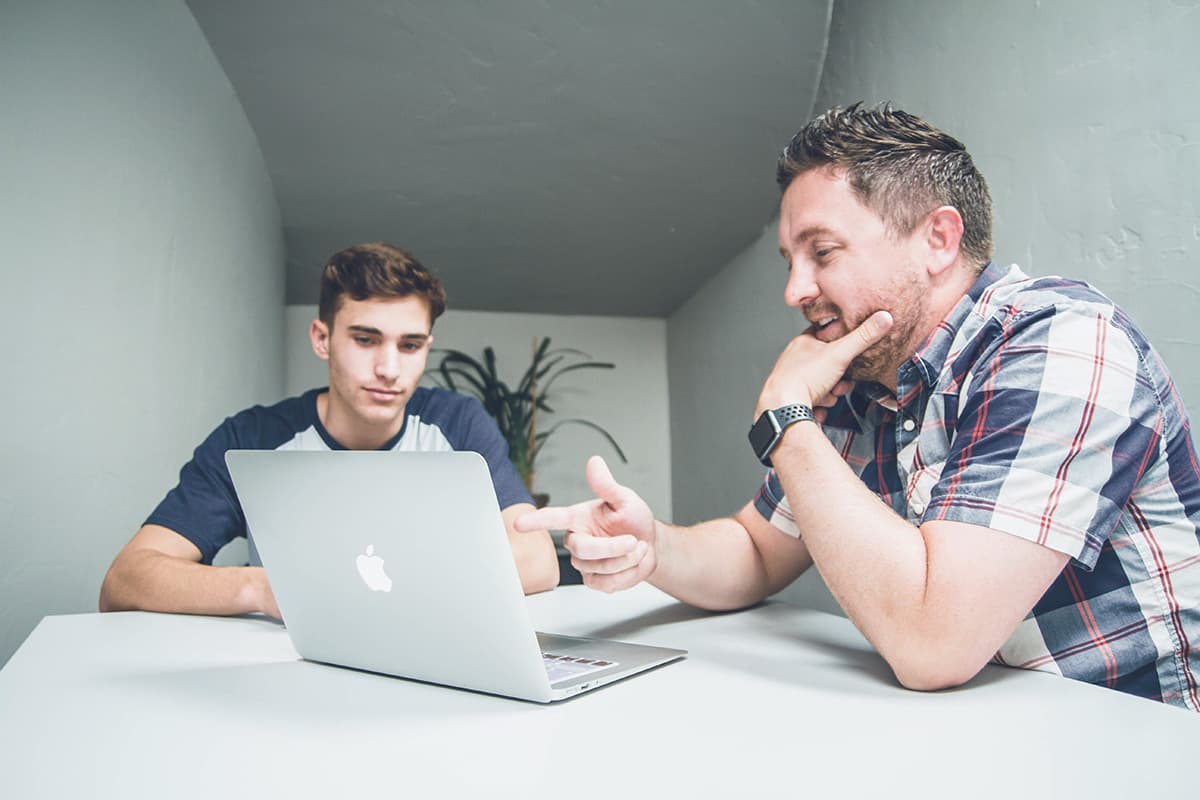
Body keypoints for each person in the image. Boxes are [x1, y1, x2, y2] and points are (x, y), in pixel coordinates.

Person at [517, 104, 1200, 710]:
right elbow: (757, 549)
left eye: (822, 252)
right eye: (790, 259)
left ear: (938, 239)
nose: (795, 289)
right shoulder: (867, 379)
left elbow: (934, 644)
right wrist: (653, 546)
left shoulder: (1061, 341)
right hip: (980, 729)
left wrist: (786, 416)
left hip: (1134, 738)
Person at [101, 242, 558, 617]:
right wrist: (263, 589)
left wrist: (380, 582)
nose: (389, 368)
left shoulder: (457, 424)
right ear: (322, 339)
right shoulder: (253, 438)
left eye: (410, 345)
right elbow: (126, 579)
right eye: (365, 339)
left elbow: (538, 561)